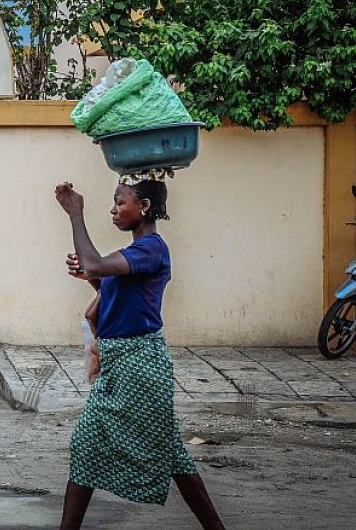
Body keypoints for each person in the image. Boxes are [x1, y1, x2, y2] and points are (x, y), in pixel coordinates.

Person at [54, 175, 224, 530]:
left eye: (120, 203)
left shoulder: (152, 249)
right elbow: (110, 283)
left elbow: (99, 264)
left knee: (88, 443)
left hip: (139, 362)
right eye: (115, 203)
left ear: (143, 207)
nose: (114, 210)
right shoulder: (136, 253)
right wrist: (89, 276)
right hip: (124, 363)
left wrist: (75, 214)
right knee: (171, 455)